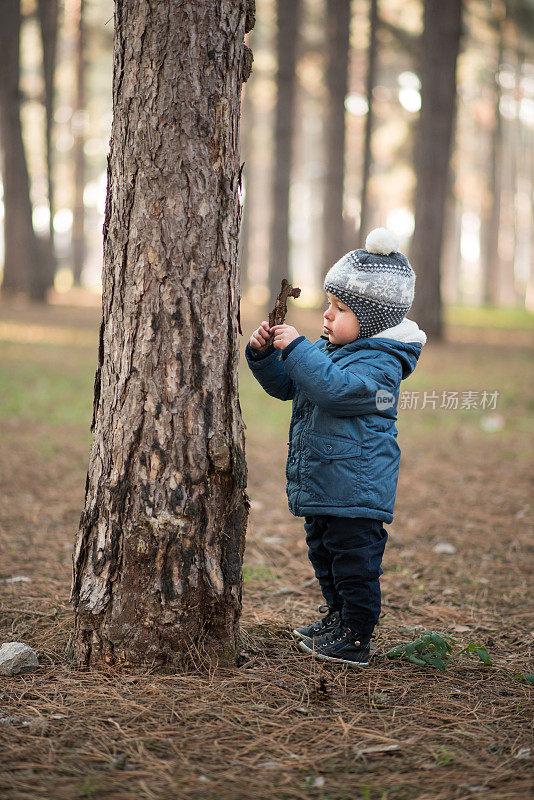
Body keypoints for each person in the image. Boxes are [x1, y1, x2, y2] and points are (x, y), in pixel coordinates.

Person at [245, 228, 427, 668]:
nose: (327, 316)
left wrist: (300, 350)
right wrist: (268, 356)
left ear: (373, 320)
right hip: (328, 483)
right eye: (328, 304)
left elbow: (337, 391)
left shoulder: (382, 365)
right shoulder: (335, 350)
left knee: (354, 565)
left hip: (357, 492)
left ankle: (356, 636)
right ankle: (336, 619)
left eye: (340, 308)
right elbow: (293, 387)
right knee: (324, 555)